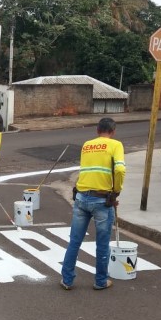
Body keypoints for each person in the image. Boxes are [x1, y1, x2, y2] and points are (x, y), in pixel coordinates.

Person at [61, 117, 126, 291]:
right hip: (102, 200)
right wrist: (116, 190)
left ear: (97, 131)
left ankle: (67, 280)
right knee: (102, 244)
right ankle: (100, 281)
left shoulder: (87, 145)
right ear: (112, 132)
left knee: (74, 241)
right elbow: (119, 169)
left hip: (82, 198)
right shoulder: (115, 145)